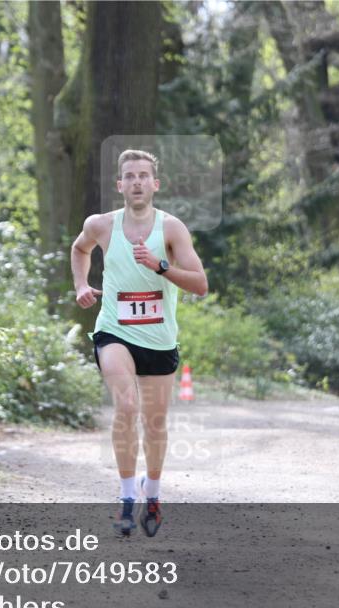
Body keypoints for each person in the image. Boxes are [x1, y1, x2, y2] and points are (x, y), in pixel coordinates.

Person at [71, 149, 208, 536]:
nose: (136, 182)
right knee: (126, 405)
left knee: (155, 421)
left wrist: (160, 266)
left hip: (160, 339)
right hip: (114, 330)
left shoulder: (172, 229)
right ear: (119, 185)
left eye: (143, 175)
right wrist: (81, 284)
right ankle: (127, 497)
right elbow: (79, 249)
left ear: (155, 184)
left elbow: (200, 284)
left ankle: (154, 495)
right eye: (129, 176)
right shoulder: (100, 225)